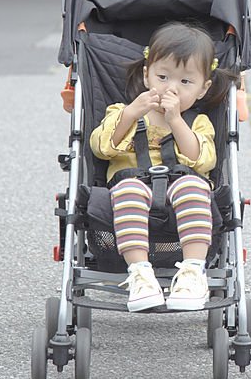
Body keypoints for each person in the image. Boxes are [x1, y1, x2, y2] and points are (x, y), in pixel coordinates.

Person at [89, 22, 234, 311]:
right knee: (129, 189)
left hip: (181, 188)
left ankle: (193, 271)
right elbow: (101, 147)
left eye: (185, 82)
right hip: (131, 185)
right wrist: (131, 113)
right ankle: (140, 274)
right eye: (163, 76)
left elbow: (203, 160)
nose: (171, 88)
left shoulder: (197, 122)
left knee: (194, 185)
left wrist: (176, 120)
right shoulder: (122, 112)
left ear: (203, 88)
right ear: (147, 75)